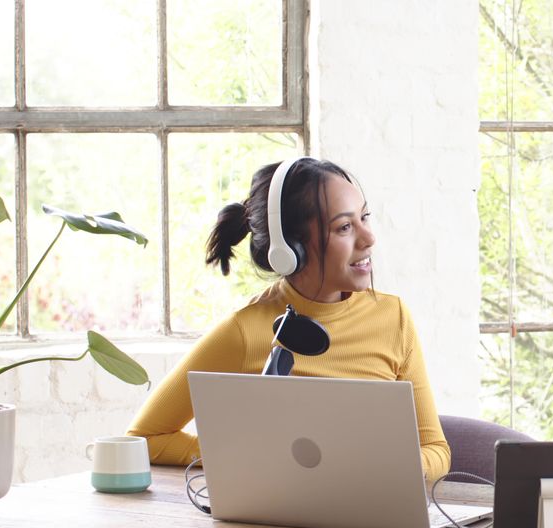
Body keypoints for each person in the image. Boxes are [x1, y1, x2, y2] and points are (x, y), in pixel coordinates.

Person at [126, 157, 450, 482]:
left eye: (364, 217)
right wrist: (241, 456)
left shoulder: (393, 318)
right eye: (344, 227)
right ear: (291, 248)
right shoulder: (244, 332)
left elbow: (435, 449)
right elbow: (145, 438)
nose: (368, 238)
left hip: (374, 508)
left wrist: (394, 467)